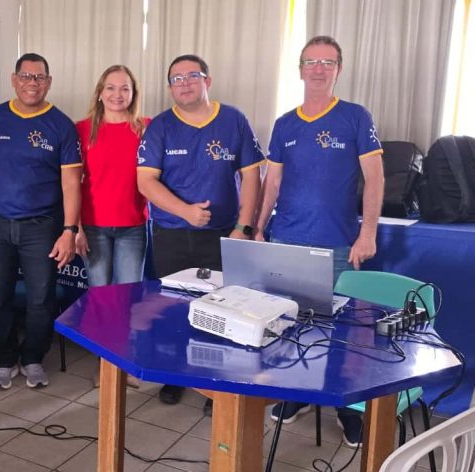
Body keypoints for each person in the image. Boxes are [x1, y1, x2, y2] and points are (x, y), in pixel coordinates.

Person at [255, 35, 385, 448]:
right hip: (287, 238)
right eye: (311, 61)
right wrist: (258, 227)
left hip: (338, 243)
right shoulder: (285, 124)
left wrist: (368, 232)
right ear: (300, 70)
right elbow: (272, 182)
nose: (318, 69)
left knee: (341, 330)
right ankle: (297, 393)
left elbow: (375, 178)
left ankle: (348, 409)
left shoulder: (355, 117)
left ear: (338, 70)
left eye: (327, 62)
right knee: (292, 323)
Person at [137, 54, 264, 414]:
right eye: (176, 79)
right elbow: (145, 181)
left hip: (224, 234)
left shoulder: (234, 120)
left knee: (223, 308)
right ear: (170, 88)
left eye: (192, 75)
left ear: (207, 81)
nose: (185, 83)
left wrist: (244, 227)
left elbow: (252, 175)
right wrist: (186, 212)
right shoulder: (160, 127)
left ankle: (215, 384)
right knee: (174, 305)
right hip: (172, 233)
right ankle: (175, 374)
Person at [0, 53, 82, 390]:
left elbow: (71, 183)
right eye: (25, 76)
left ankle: (33, 358)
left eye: (39, 77)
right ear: (14, 79)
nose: (32, 83)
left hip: (42, 226)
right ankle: (3, 360)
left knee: (41, 298)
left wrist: (69, 230)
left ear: (48, 82)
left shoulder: (61, 125)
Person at [74, 64, 149, 389]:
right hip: (93, 228)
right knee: (102, 299)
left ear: (133, 94)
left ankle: (125, 363)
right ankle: (105, 366)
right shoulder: (82, 130)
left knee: (128, 299)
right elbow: (71, 183)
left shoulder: (146, 129)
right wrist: (75, 227)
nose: (118, 94)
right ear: (100, 92)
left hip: (133, 227)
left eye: (125, 88)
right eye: (111, 87)